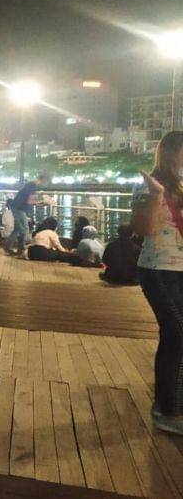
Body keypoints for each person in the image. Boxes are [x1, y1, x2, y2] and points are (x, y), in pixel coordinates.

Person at [131, 131, 183, 435]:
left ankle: (172, 400)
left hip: (180, 270)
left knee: (175, 335)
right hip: (158, 268)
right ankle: (167, 408)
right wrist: (157, 195)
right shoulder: (148, 186)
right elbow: (143, 229)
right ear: (172, 152)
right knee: (177, 332)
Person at [6, 172, 52, 257]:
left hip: (17, 207)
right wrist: (43, 201)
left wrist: (41, 203)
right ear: (43, 180)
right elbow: (30, 201)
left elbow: (29, 201)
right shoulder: (32, 186)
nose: (46, 184)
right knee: (23, 230)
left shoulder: (31, 185)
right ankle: (19, 250)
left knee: (17, 229)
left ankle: (8, 247)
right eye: (46, 182)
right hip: (19, 208)